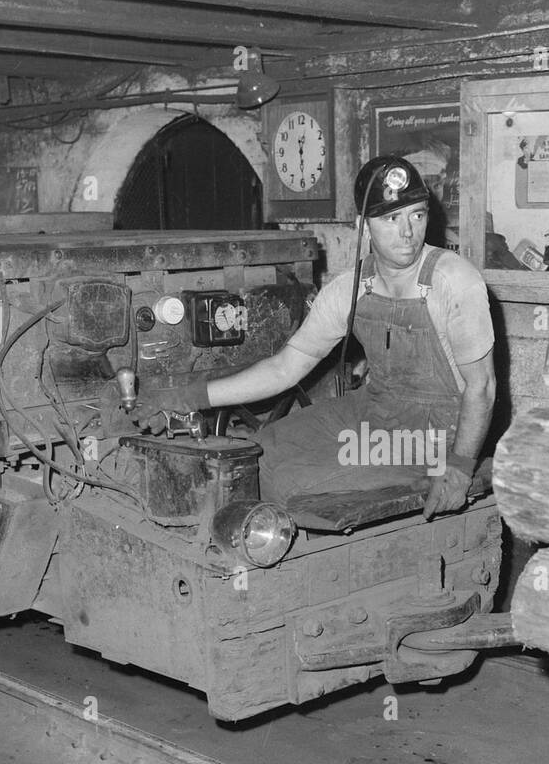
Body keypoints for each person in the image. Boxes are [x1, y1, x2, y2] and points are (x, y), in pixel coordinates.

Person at [134, 155, 496, 521]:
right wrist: (189, 397)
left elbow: (481, 387)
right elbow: (284, 369)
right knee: (258, 451)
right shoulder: (349, 288)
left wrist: (459, 468)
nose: (408, 232)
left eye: (417, 215)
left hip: (432, 436)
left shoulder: (453, 280)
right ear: (364, 227)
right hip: (375, 409)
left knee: (292, 483)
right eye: (391, 218)